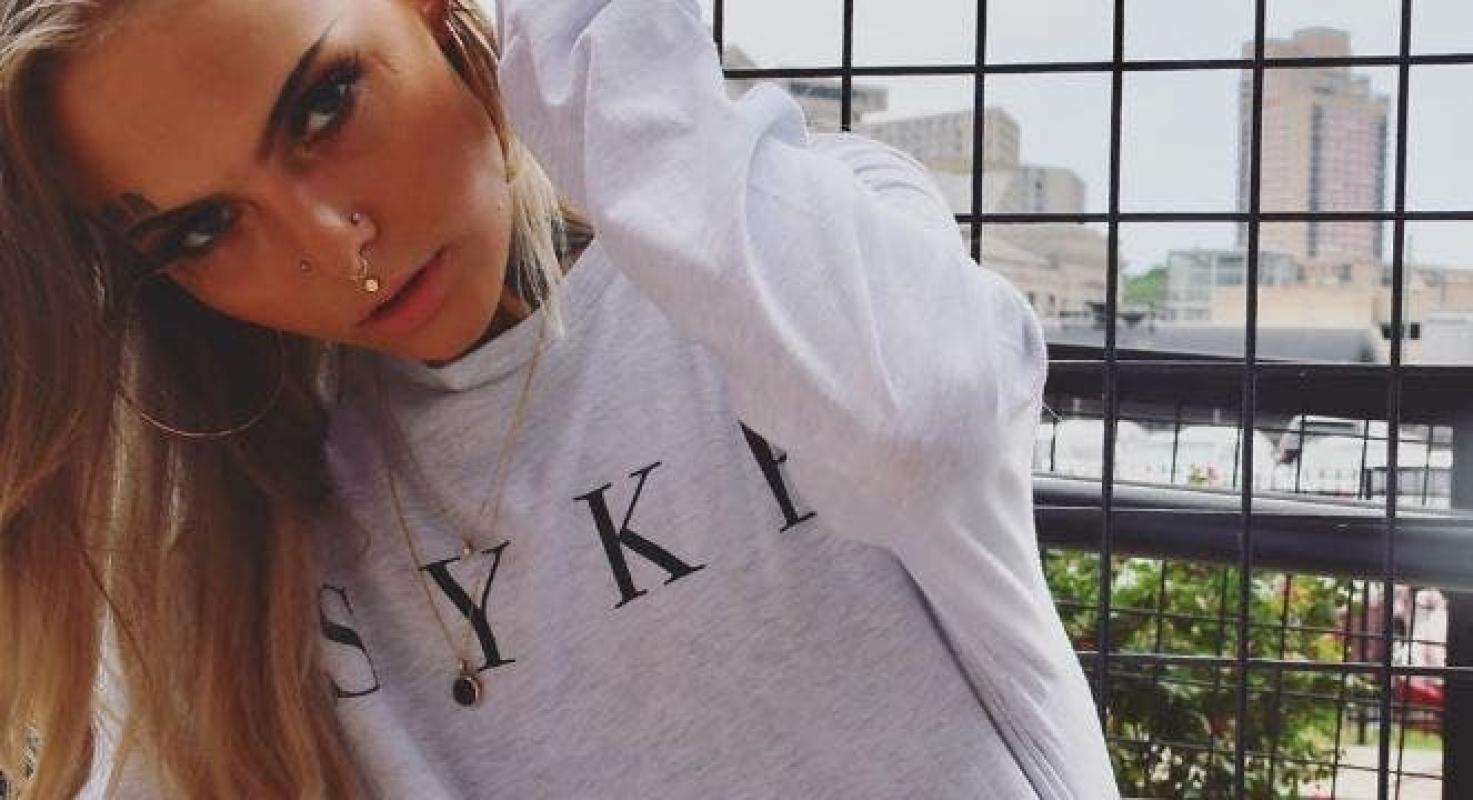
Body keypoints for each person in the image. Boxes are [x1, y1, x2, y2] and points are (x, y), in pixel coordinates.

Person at [0, 0, 1117, 796]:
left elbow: (925, 426)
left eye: (327, 104)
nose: (336, 249)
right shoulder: (215, 521)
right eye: (200, 228)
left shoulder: (795, 243)